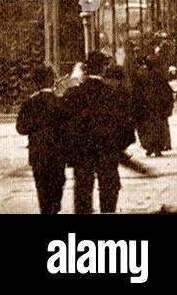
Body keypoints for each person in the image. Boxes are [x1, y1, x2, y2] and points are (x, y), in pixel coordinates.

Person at [60, 51, 136, 214]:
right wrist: (120, 147)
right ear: (104, 68)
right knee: (109, 188)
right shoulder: (114, 94)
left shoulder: (74, 93)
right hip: (107, 150)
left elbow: (64, 124)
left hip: (82, 151)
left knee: (82, 190)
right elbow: (125, 123)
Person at [16, 65, 66, 214]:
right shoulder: (60, 102)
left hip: (38, 155)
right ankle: (54, 209)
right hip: (58, 154)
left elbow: (21, 128)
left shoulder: (30, 103)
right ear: (52, 81)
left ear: (36, 83)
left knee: (42, 189)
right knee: (57, 186)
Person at [131, 57, 174, 157]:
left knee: (145, 128)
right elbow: (166, 92)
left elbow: (135, 93)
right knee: (157, 127)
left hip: (144, 108)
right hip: (156, 108)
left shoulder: (138, 76)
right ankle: (157, 148)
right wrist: (167, 105)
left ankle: (149, 147)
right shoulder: (158, 76)